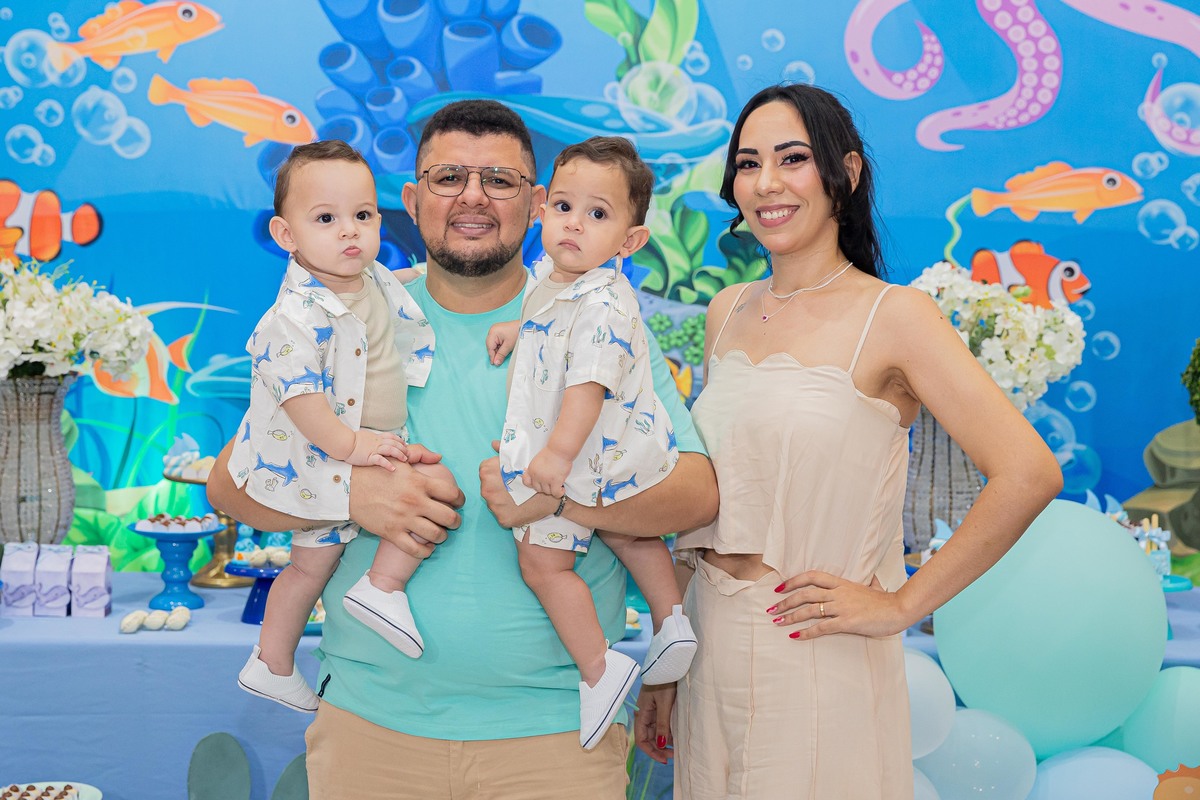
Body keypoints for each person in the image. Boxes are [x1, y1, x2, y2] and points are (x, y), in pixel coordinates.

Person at [208, 99, 718, 799]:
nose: (472, 197)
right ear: (411, 200)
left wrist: (557, 498)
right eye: (448, 178)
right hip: (369, 726)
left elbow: (695, 493)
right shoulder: (346, 315)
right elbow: (229, 485)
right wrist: (355, 496)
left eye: (499, 181)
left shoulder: (598, 321)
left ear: (536, 204)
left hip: (555, 733)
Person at [633, 83, 1062, 798]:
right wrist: (666, 664)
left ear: (847, 172)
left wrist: (901, 605)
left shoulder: (897, 316)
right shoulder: (725, 311)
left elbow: (1029, 472)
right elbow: (710, 501)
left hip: (816, 655)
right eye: (748, 163)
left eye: (792, 158)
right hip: (708, 647)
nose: (766, 183)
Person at [485, 136, 698, 750]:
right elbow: (552, 320)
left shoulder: (603, 300)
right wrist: (519, 326)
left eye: (598, 213)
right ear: (542, 209)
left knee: (542, 563)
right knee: (631, 535)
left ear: (630, 241)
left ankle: (601, 671)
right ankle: (671, 621)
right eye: (564, 207)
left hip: (589, 456)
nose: (574, 223)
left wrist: (555, 454)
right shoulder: (557, 284)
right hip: (619, 455)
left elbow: (588, 383)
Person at [230, 140, 454, 714]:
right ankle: (374, 592)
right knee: (433, 490)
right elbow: (302, 401)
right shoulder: (292, 318)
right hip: (330, 453)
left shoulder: (370, 278)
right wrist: (351, 446)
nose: (349, 231)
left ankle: (272, 660)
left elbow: (397, 284)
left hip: (369, 442)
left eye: (363, 215)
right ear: (286, 235)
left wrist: (436, 273)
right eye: (326, 219)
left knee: (311, 565)